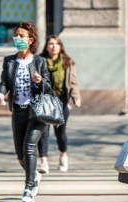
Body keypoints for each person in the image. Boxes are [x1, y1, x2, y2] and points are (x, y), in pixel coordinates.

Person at [0, 21, 52, 202]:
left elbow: (49, 88)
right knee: (20, 153)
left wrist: (40, 81)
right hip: (18, 111)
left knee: (29, 148)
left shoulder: (40, 62)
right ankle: (33, 173)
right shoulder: (9, 61)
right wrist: (0, 93)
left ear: (30, 40)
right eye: (16, 35)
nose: (17, 38)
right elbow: (5, 82)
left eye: (21, 36)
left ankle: (29, 188)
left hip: (36, 112)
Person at [37, 35, 81, 174]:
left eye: (56, 44)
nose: (53, 46)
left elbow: (73, 82)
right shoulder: (39, 61)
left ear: (60, 46)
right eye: (50, 43)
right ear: (47, 46)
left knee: (60, 132)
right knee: (43, 132)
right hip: (44, 100)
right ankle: (43, 162)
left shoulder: (67, 62)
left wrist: (76, 97)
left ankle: (63, 156)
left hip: (61, 101)